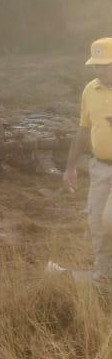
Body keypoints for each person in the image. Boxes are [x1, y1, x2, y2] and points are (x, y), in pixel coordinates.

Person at [63, 38, 112, 282]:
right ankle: (104, 277)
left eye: (105, 65)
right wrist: (70, 167)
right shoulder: (89, 90)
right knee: (96, 222)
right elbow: (83, 131)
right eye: (96, 66)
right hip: (100, 167)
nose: (100, 70)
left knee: (109, 219)